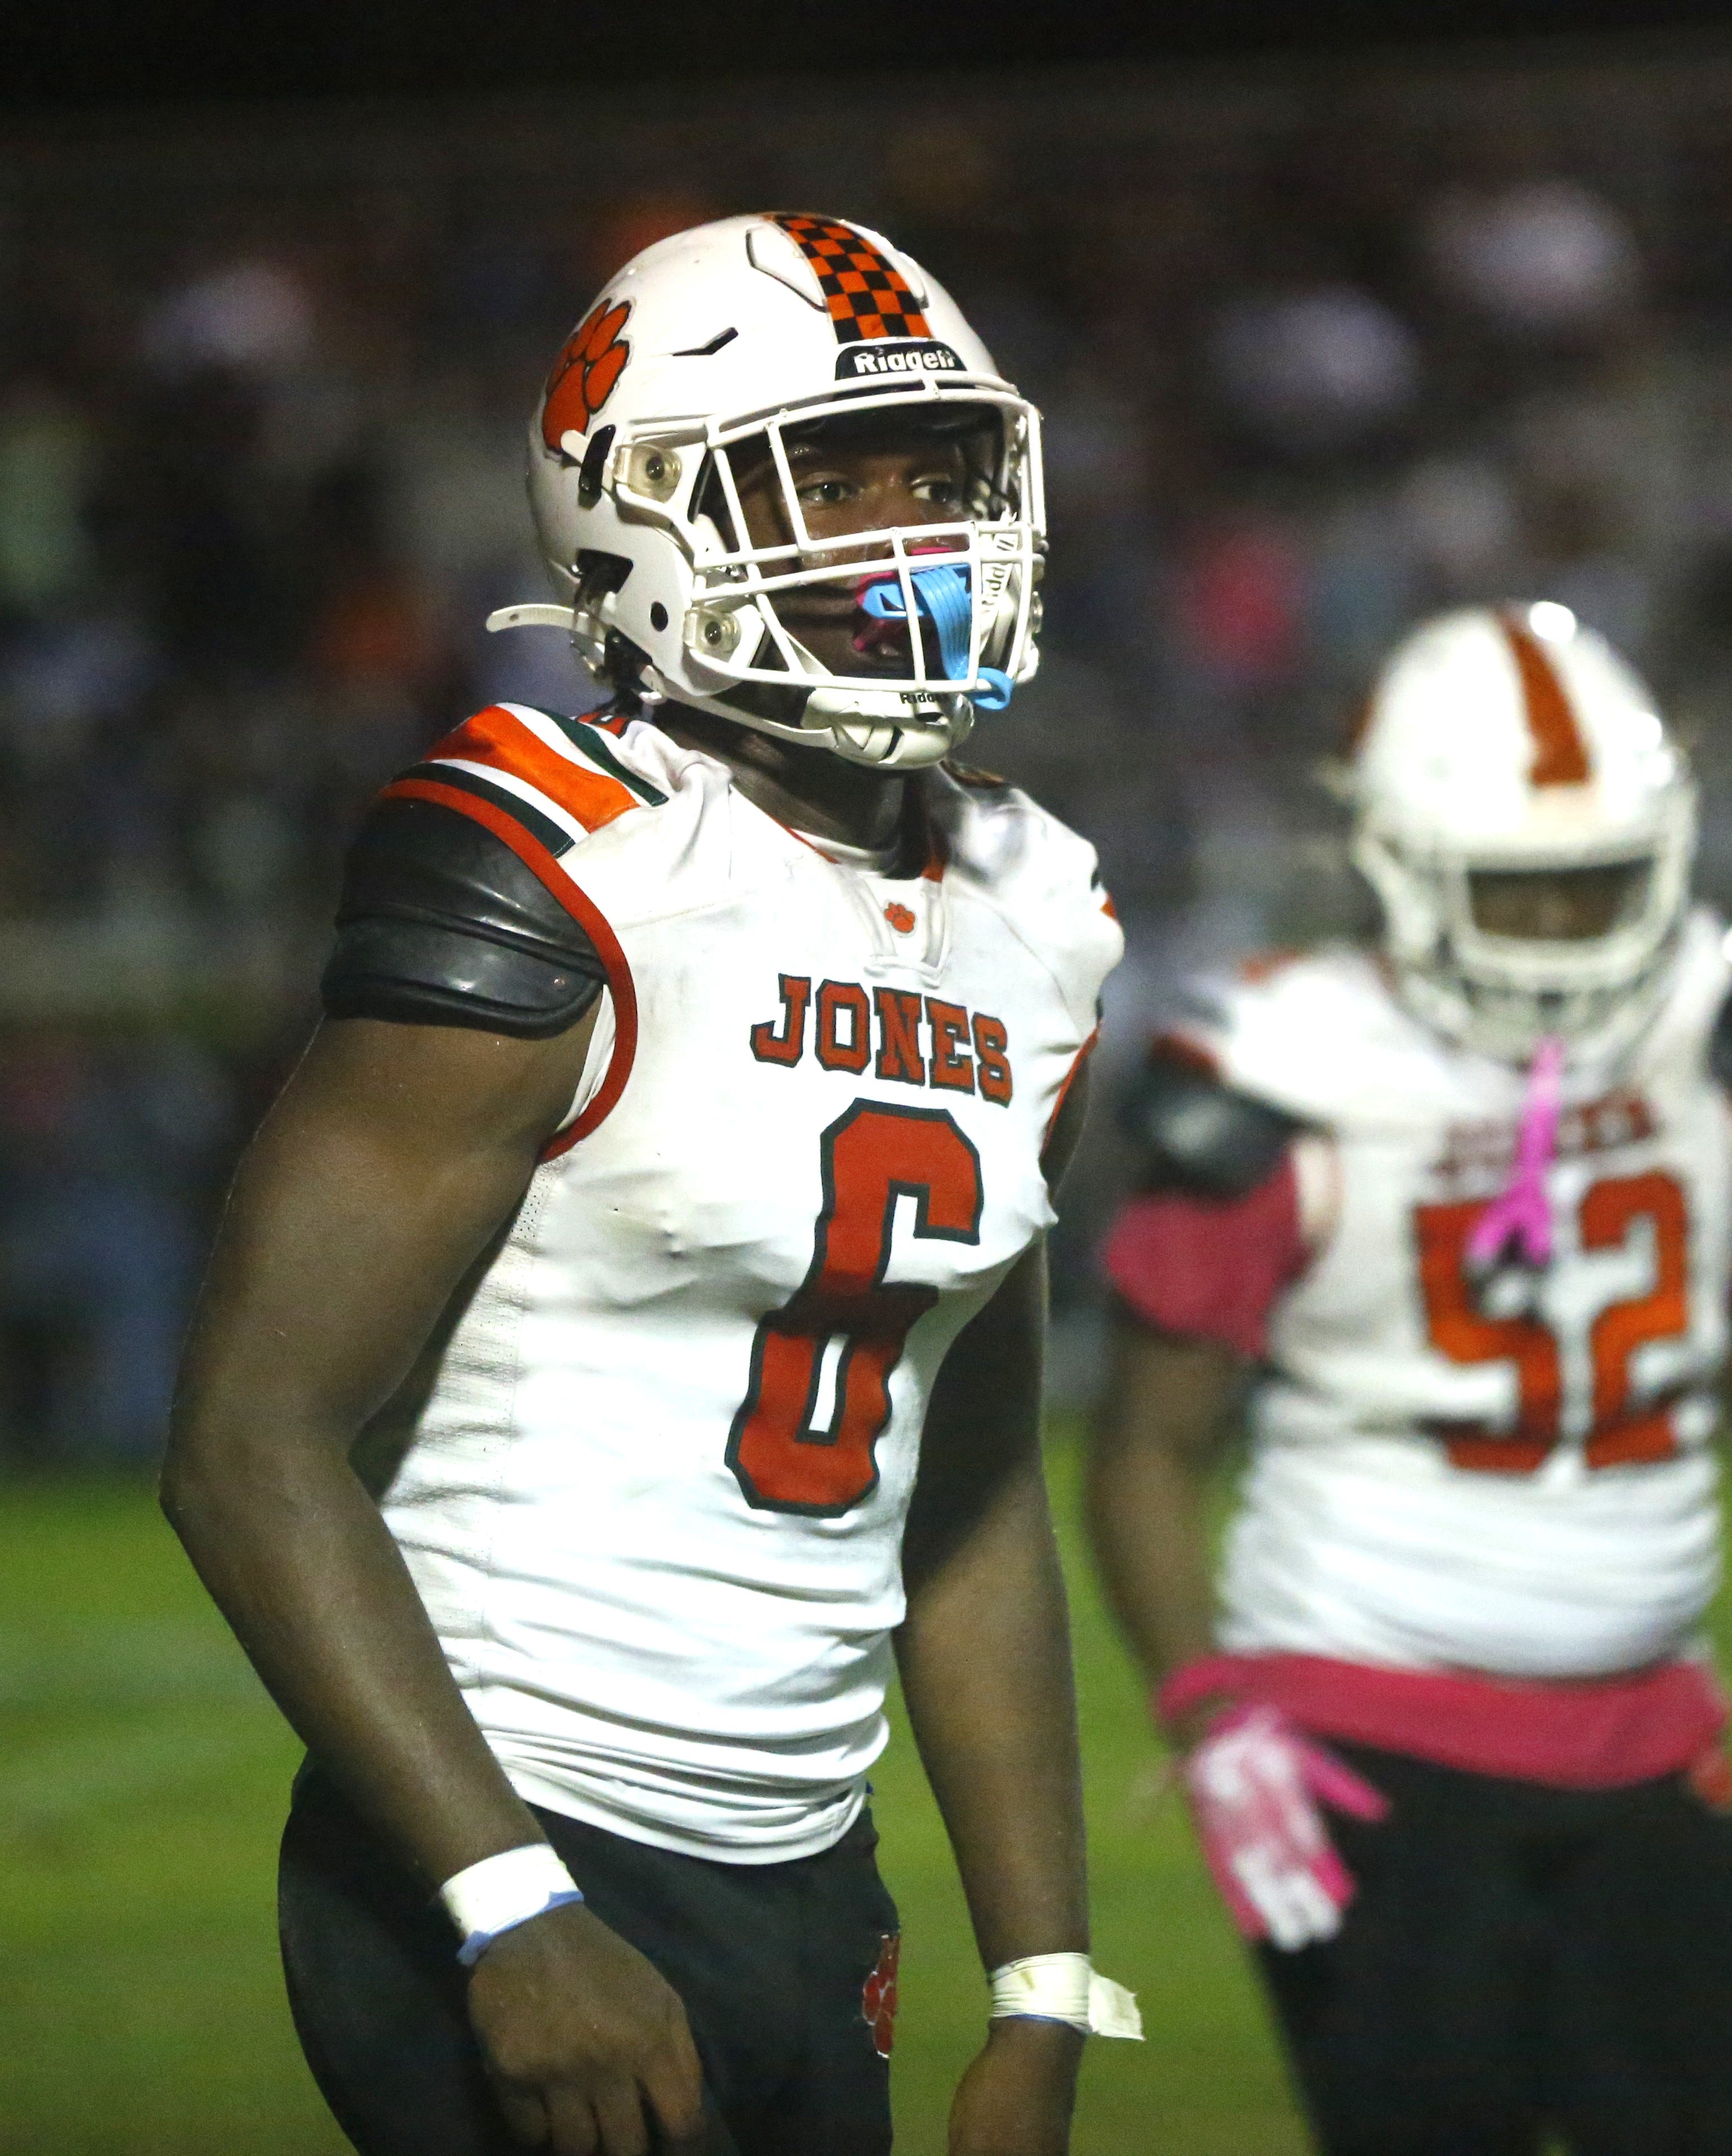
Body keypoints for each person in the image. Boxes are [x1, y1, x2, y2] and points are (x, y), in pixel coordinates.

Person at [162, 213, 1134, 2156]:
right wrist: (509, 1907)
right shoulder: (565, 856)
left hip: (813, 1860)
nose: (910, 537)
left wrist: (1041, 1982)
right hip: (513, 1821)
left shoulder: (1038, 912)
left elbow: (969, 1484)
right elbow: (252, 1447)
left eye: (937, 474)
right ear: (646, 518)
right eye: (827, 485)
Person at [1084, 603, 1732, 2156]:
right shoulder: (1292, 1071)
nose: (1560, 927)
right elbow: (1147, 1449)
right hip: (1362, 1732)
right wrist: (1212, 1712)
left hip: (1655, 1731)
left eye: (1595, 882)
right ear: (1399, 864)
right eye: (1516, 888)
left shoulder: (1721, 1041)